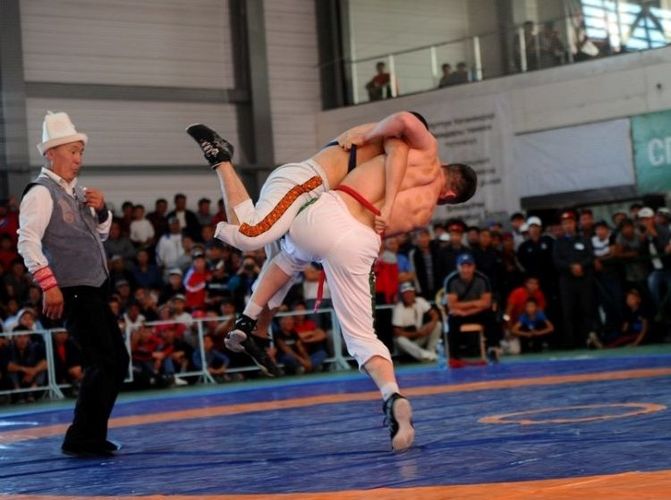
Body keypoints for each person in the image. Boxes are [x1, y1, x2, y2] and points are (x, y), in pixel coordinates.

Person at [218, 131, 476, 451]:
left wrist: (364, 134)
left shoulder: (407, 154)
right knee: (361, 338)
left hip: (329, 209)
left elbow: (401, 125)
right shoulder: (425, 210)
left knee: (285, 254)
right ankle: (391, 394)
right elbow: (385, 226)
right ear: (449, 195)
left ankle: (248, 318)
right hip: (361, 240)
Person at [17, 111, 129, 456]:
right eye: (72, 152)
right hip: (74, 289)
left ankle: (86, 435)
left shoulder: (75, 193)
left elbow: (100, 235)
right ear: (51, 153)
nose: (79, 159)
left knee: (115, 361)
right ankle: (83, 438)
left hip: (91, 288)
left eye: (80, 152)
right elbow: (27, 240)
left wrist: (102, 210)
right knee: (105, 362)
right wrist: (48, 284)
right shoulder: (41, 193)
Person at [553, 210, 597, 348]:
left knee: (586, 309)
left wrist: (580, 266)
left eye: (570, 223)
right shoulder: (558, 242)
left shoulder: (584, 239)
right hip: (567, 281)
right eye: (565, 223)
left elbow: (591, 256)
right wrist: (570, 267)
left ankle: (588, 339)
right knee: (569, 311)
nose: (568, 226)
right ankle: (571, 342)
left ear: (575, 224)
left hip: (584, 280)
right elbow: (557, 261)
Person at [443, 253, 498, 365]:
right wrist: (475, 303)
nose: (466, 270)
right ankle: (454, 355)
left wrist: (467, 311)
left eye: (469, 266)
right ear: (457, 267)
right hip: (459, 313)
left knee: (491, 315)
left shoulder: (483, 279)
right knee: (452, 320)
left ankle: (492, 349)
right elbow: (452, 305)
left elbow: (486, 303)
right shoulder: (451, 280)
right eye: (462, 266)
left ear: (474, 267)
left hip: (476, 312)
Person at [391, 282, 441, 362]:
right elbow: (397, 332)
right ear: (402, 295)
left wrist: (431, 324)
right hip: (408, 342)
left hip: (419, 337)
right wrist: (417, 334)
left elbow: (435, 314)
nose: (408, 295)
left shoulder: (420, 301)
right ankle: (423, 355)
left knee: (438, 324)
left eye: (410, 292)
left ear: (414, 292)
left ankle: (431, 351)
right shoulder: (399, 308)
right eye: (405, 293)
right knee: (399, 340)